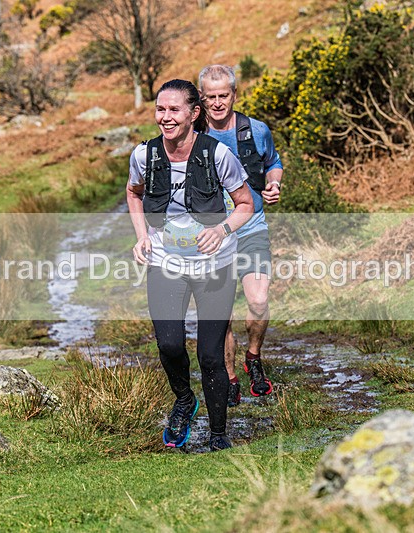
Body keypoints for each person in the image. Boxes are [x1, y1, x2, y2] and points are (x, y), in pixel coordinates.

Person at [126, 79, 254, 451]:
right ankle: (184, 399)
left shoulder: (217, 155)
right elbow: (133, 194)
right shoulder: (143, 155)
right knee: (168, 344)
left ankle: (217, 433)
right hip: (166, 262)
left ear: (194, 113)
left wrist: (223, 229)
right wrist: (142, 236)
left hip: (216, 264)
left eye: (174, 110)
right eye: (160, 110)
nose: (165, 118)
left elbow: (245, 203)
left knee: (211, 353)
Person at [198, 65, 283, 406]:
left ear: (234, 94)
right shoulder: (193, 133)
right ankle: (230, 376)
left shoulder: (256, 130)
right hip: (211, 235)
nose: (218, 103)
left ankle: (254, 357)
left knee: (258, 300)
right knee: (222, 313)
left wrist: (274, 183)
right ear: (200, 99)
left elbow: (273, 162)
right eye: (210, 97)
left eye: (224, 96)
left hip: (251, 226)